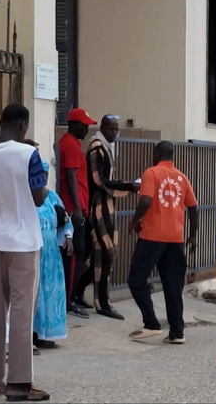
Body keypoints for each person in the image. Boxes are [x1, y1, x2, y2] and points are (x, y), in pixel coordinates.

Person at [0, 104, 50, 401]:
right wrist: (34, 161)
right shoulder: (29, 155)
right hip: (24, 244)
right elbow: (39, 197)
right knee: (21, 314)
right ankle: (19, 384)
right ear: (23, 127)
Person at [127, 141, 198, 344]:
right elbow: (193, 207)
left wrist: (134, 221)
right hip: (175, 239)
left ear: (157, 153)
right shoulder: (182, 177)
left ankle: (151, 323)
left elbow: (146, 200)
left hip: (152, 237)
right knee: (173, 286)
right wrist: (192, 236)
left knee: (137, 279)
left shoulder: (151, 173)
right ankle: (177, 332)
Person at [76, 114, 140, 320]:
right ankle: (102, 303)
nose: (115, 132)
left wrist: (127, 186)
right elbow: (99, 182)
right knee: (106, 254)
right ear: (102, 128)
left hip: (108, 206)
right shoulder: (97, 148)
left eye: (116, 129)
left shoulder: (107, 148)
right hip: (98, 207)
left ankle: (78, 291)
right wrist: (128, 186)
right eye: (111, 129)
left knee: (103, 255)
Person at [57, 108, 97, 319]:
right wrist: (77, 210)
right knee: (75, 256)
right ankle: (70, 299)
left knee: (80, 254)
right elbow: (71, 179)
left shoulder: (71, 143)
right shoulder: (71, 145)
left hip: (76, 207)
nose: (87, 128)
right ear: (74, 125)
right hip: (73, 210)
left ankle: (73, 296)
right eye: (84, 125)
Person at [33, 160, 74, 349]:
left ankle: (45, 333)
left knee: (51, 291)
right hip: (34, 248)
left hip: (51, 252)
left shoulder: (53, 198)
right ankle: (33, 334)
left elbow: (65, 220)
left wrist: (67, 237)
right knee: (35, 292)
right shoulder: (27, 197)